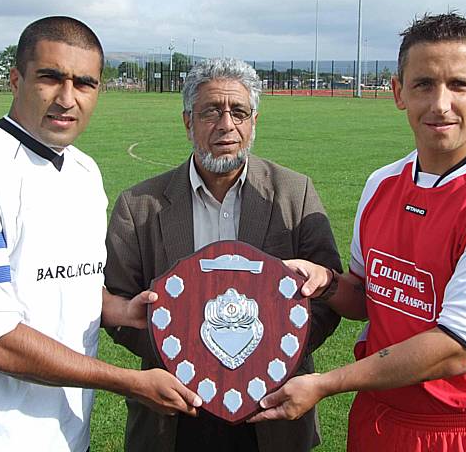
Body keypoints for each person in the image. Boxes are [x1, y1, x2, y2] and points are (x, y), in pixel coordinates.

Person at [250, 13, 466, 452]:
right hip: (380, 423)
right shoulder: (382, 184)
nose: (441, 104)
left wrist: (326, 383)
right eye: (424, 84)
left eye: (460, 85)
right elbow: (369, 298)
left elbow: (456, 349)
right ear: (398, 92)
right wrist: (326, 283)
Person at [0, 16, 201, 451]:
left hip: (65, 435)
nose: (67, 98)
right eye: (50, 78)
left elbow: (63, 279)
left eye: (84, 83)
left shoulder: (85, 171)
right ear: (16, 79)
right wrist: (129, 382)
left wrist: (119, 310)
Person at [104, 57, 343, 452]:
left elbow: (326, 296)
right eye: (211, 111)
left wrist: (271, 361)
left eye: (239, 112)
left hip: (272, 410)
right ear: (187, 121)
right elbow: (118, 304)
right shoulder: (139, 205)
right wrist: (186, 361)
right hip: (174, 412)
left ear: (254, 122)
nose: (226, 125)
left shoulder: (294, 193)